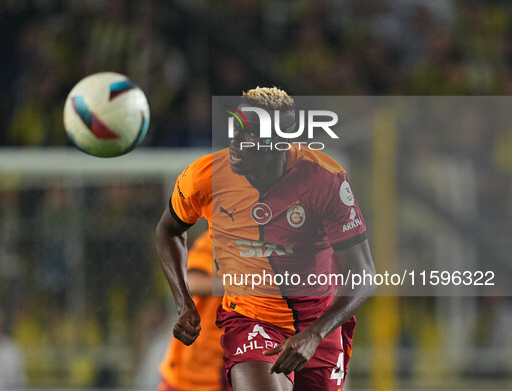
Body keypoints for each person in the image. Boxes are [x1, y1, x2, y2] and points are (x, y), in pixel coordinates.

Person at [156, 87, 376, 391]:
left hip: (318, 325)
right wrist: (185, 305)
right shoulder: (204, 177)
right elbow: (168, 230)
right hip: (250, 319)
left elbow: (364, 276)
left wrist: (314, 334)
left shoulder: (324, 180)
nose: (235, 142)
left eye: (250, 134)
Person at [158, 230, 231, 391]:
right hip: (195, 368)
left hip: (244, 360)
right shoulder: (218, 239)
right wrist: (243, 284)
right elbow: (190, 282)